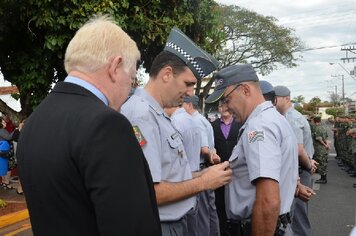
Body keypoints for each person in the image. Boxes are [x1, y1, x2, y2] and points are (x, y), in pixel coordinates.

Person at [17, 15, 161, 236]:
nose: (130, 88)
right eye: (132, 79)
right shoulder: (107, 125)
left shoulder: (35, 121)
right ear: (115, 66)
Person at [121, 27, 232, 236]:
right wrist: (203, 182)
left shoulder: (158, 114)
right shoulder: (142, 116)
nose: (190, 93)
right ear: (167, 74)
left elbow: (168, 175)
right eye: (188, 84)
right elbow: (149, 192)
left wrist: (202, 173)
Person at [205, 64, 298, 236]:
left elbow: (267, 201)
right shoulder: (273, 119)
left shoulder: (259, 126)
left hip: (258, 227)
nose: (225, 108)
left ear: (245, 90)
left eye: (226, 100)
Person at [274, 85, 317, 236]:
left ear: (287, 99)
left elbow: (298, 150)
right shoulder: (290, 116)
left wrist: (308, 164)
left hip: (298, 171)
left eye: (275, 98)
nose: (272, 101)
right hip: (299, 169)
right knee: (296, 215)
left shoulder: (290, 118)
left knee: (297, 218)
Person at [211, 102, 241, 236]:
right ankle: (223, 231)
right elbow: (211, 146)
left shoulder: (240, 125)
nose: (224, 108)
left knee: (237, 202)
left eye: (227, 105)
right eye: (221, 106)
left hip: (237, 171)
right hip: (219, 170)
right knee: (220, 203)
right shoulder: (213, 126)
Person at [313, 116, 329, 184]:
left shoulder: (317, 128)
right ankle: (322, 177)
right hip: (323, 149)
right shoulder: (323, 128)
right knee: (322, 162)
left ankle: (323, 178)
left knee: (322, 163)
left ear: (314, 121)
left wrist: (325, 145)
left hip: (319, 149)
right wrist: (327, 144)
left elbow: (319, 139)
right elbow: (326, 137)